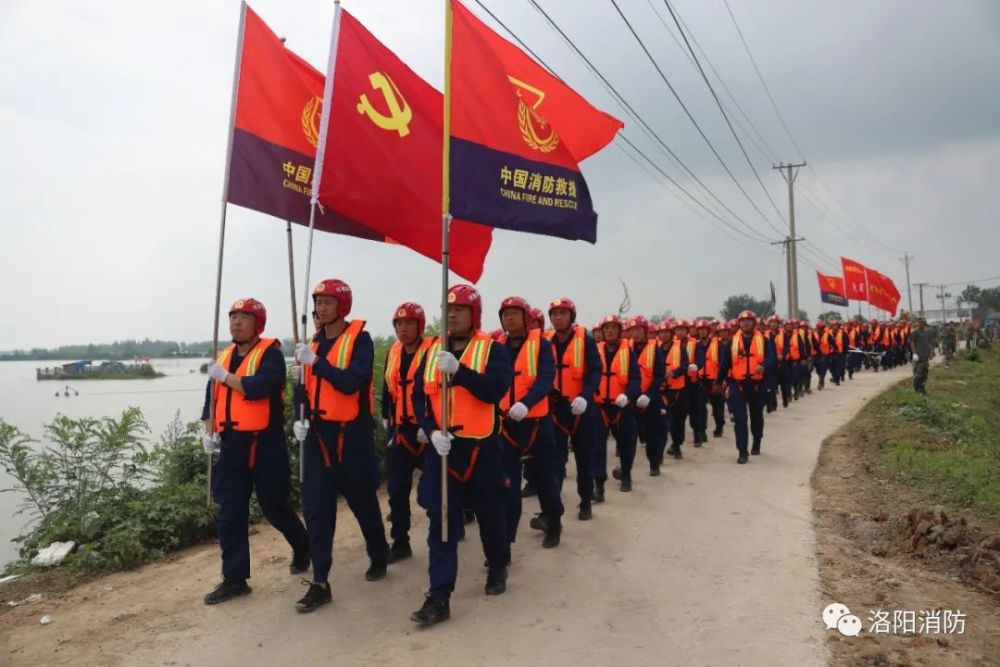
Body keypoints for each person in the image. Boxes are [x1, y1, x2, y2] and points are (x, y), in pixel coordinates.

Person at [409, 284, 513, 626]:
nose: (452, 314)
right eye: (448, 308)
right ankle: (439, 596)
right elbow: (419, 396)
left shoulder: (492, 350)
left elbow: (495, 390)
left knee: (490, 516)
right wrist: (430, 428)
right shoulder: (431, 352)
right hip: (443, 450)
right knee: (442, 524)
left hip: (481, 448)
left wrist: (460, 372)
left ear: (475, 314)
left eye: (460, 309)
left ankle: (497, 566)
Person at [201, 298, 310, 605]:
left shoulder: (270, 354)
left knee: (275, 506)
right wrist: (208, 431)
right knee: (230, 511)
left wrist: (226, 377)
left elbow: (262, 386)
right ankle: (235, 578)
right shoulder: (223, 357)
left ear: (257, 323)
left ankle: (303, 545)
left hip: (265, 443)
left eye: (243, 317)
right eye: (233, 317)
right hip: (233, 444)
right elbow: (211, 398)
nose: (235, 322)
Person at [291, 279, 390, 613]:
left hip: (352, 435)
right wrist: (298, 418)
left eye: (327, 303)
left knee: (362, 501)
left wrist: (317, 363)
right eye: (317, 302)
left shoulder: (359, 341)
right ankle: (320, 582)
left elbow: (352, 383)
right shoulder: (310, 345)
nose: (320, 308)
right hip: (318, 435)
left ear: (342, 306)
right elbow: (300, 392)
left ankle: (379, 553)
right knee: (318, 508)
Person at [496, 297, 563, 550]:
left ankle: (554, 523)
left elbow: (546, 378)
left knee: (546, 477)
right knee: (509, 484)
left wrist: (527, 402)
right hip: (507, 424)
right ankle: (506, 541)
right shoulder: (497, 346)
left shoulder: (541, 345)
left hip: (537, 423)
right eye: (505, 314)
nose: (509, 318)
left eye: (514, 313)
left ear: (525, 317)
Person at [382, 302, 435, 564]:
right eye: (399, 324)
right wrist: (385, 419)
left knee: (435, 488)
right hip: (401, 429)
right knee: (397, 489)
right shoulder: (393, 352)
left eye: (409, 324)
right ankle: (400, 541)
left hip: (428, 430)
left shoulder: (434, 351)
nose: (403, 329)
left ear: (420, 326)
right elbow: (387, 388)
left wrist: (432, 425)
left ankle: (452, 522)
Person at [545, 298, 602, 517]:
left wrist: (586, 396)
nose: (558, 317)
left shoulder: (585, 340)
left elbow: (595, 371)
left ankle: (586, 500)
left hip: (582, 408)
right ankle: (553, 510)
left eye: (562, 313)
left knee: (584, 457)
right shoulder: (546, 341)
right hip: (555, 409)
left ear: (571, 317)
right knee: (555, 461)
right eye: (554, 314)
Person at [717, 310, 777, 464]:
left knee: (756, 416)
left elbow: (772, 358)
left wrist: (763, 365)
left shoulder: (764, 340)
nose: (746, 323)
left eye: (749, 321)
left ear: (754, 323)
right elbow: (725, 364)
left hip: (758, 385)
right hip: (738, 385)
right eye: (743, 321)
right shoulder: (732, 342)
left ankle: (757, 441)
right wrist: (719, 381)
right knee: (740, 419)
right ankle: (742, 451)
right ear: (739, 324)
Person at [593, 315, 640, 493]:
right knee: (597, 446)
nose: (609, 331)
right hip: (600, 407)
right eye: (606, 328)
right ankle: (599, 484)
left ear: (619, 331)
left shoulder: (628, 351)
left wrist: (627, 395)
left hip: (622, 407)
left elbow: (635, 379)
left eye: (613, 328)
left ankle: (626, 475)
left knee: (626, 444)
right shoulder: (595, 350)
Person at [626, 317, 667, 474]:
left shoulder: (654, 348)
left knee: (653, 433)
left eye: (638, 330)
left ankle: (654, 464)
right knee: (629, 436)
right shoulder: (626, 349)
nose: (635, 334)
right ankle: (626, 470)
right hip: (632, 397)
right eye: (632, 330)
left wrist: (649, 395)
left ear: (645, 331)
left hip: (651, 397)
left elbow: (659, 375)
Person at [661, 320, 692, 459]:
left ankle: (677, 445)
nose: (664, 335)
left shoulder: (680, 347)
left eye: (666, 332)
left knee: (678, 421)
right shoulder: (655, 348)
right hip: (661, 391)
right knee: (661, 422)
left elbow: (685, 365)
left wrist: (674, 373)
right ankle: (658, 452)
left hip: (679, 390)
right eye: (661, 332)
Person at [910, 317, 932, 395]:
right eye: (920, 322)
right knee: (917, 373)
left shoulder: (927, 332)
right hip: (918, 356)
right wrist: (914, 353)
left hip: (925, 356)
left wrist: (931, 352)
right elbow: (912, 343)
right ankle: (917, 389)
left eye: (923, 322)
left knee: (925, 373)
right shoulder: (914, 332)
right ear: (918, 323)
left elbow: (929, 343)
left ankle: (922, 388)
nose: (922, 324)